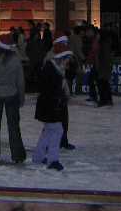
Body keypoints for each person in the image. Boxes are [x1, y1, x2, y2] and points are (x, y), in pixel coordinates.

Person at [0, 33, 26, 164]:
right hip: (11, 95)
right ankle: (17, 155)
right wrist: (21, 96)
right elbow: (20, 82)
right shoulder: (16, 61)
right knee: (13, 127)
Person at [33, 39, 73, 171]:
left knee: (48, 131)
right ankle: (53, 160)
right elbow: (49, 90)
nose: (68, 62)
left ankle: (38, 157)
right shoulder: (52, 69)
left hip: (48, 107)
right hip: (50, 107)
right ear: (61, 58)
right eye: (67, 59)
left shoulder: (53, 67)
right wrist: (58, 101)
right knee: (57, 131)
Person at [96, 29, 114, 107]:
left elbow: (106, 57)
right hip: (104, 67)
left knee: (102, 84)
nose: (97, 36)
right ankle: (108, 100)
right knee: (105, 84)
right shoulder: (105, 43)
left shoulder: (104, 44)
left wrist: (105, 67)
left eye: (98, 34)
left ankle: (104, 100)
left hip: (103, 67)